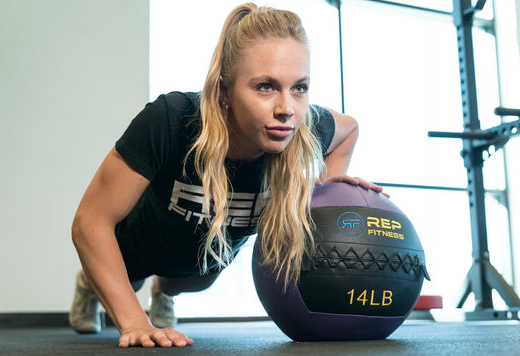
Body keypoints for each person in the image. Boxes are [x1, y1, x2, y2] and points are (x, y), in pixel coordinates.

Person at [69, 2, 384, 348]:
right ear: (223, 90)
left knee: (191, 282)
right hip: (136, 247)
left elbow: (349, 129)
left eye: (300, 87)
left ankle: (164, 291)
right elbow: (90, 222)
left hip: (205, 258)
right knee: (129, 278)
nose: (287, 109)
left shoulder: (302, 127)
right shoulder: (171, 120)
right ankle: (88, 285)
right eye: (265, 86)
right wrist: (133, 321)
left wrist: (326, 188)